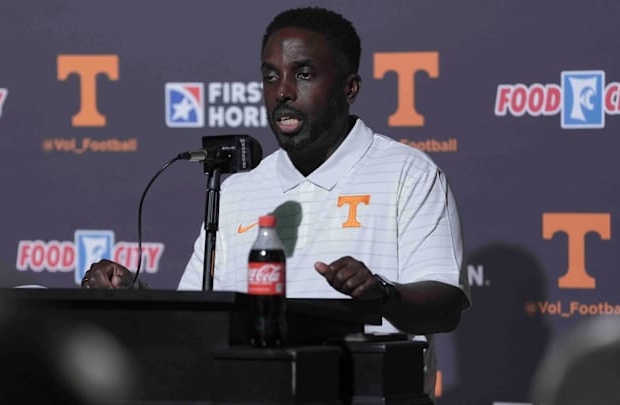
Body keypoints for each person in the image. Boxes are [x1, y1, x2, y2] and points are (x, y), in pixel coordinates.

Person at [82, 6, 470, 336]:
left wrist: (383, 294)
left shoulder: (409, 175)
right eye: (271, 76)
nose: (282, 91)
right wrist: (133, 291)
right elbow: (198, 315)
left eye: (302, 74)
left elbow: (446, 305)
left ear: (350, 88)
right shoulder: (237, 190)